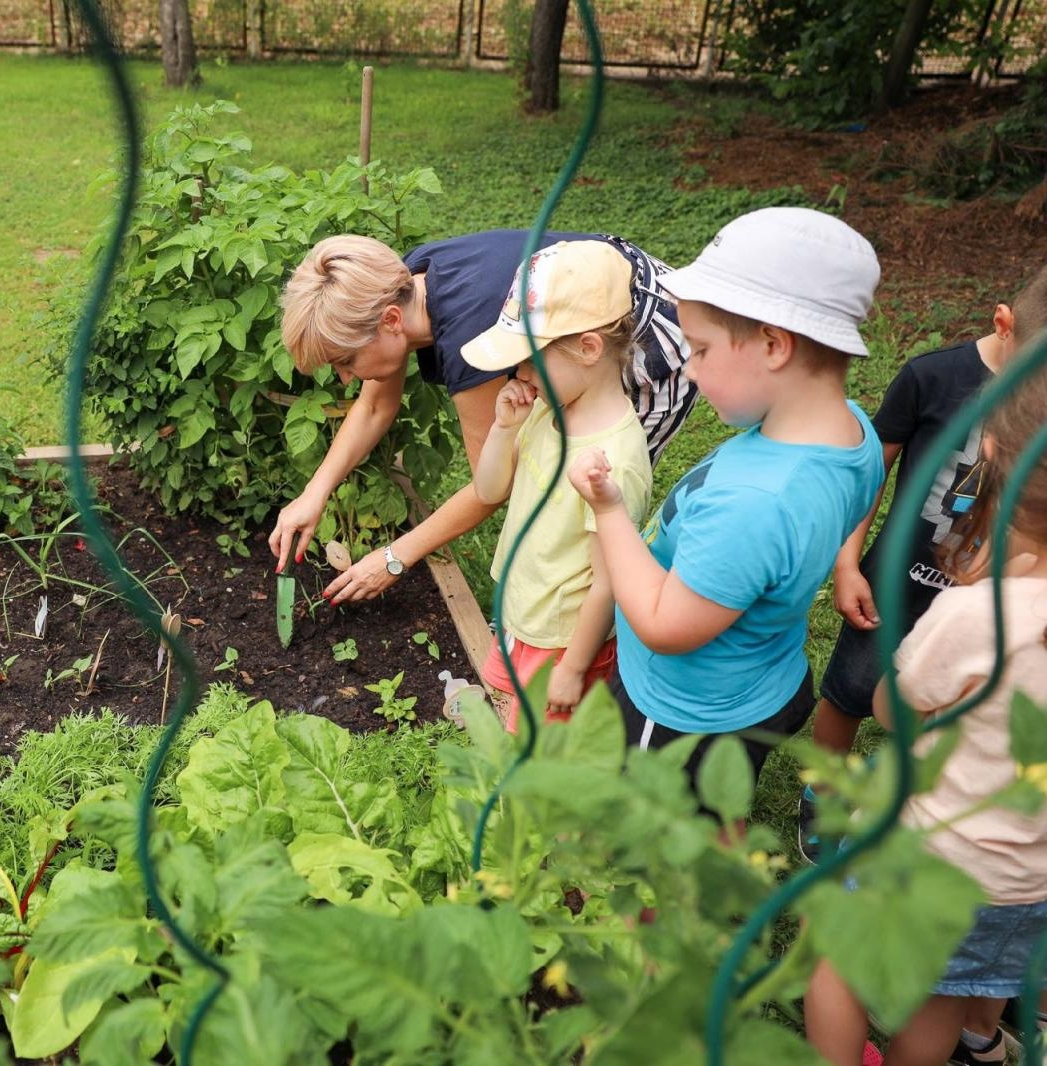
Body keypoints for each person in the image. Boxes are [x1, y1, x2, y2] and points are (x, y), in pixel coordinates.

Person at [568, 207, 885, 785]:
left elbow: (665, 625)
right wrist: (843, 562)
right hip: (764, 679)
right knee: (718, 811)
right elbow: (860, 496)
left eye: (702, 349)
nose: (688, 369)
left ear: (773, 345)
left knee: (663, 829)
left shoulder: (755, 502)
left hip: (685, 711)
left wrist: (609, 510)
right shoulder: (854, 432)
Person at [804, 366, 1047, 1066]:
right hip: (1023, 884)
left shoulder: (980, 612)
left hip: (931, 855)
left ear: (996, 458)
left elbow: (889, 706)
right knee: (944, 993)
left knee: (838, 963)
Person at [272, 229, 694, 605]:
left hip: (646, 337)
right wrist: (314, 495)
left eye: (345, 361)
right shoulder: (403, 285)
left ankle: (581, 629)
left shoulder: (467, 337)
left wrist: (394, 558)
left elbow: (489, 488)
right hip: (579, 325)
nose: (346, 379)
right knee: (547, 467)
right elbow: (375, 405)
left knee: (592, 496)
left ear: (392, 321)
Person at [798, 264, 1047, 861]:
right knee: (850, 692)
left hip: (981, 605)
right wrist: (847, 563)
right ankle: (822, 800)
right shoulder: (930, 377)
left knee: (943, 709)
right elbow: (870, 476)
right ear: (1003, 325)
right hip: (893, 583)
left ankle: (903, 800)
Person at [466, 241, 652, 722]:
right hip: (524, 616)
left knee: (546, 764)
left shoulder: (614, 461)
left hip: (564, 642)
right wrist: (505, 427)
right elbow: (489, 491)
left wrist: (573, 668)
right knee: (517, 734)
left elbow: (609, 583)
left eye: (529, 358)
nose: (518, 374)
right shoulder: (546, 409)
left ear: (589, 348)